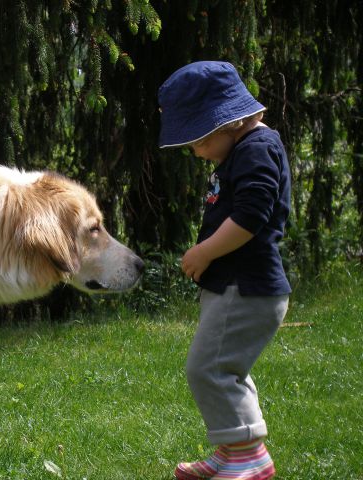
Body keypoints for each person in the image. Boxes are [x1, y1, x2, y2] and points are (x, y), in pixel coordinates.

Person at [157, 61, 292, 480]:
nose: (195, 150)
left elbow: (252, 216)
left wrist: (205, 252)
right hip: (237, 287)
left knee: (209, 368)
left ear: (227, 122)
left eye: (197, 139)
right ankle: (233, 450)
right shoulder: (245, 148)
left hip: (247, 287)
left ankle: (250, 458)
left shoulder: (256, 148)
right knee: (225, 368)